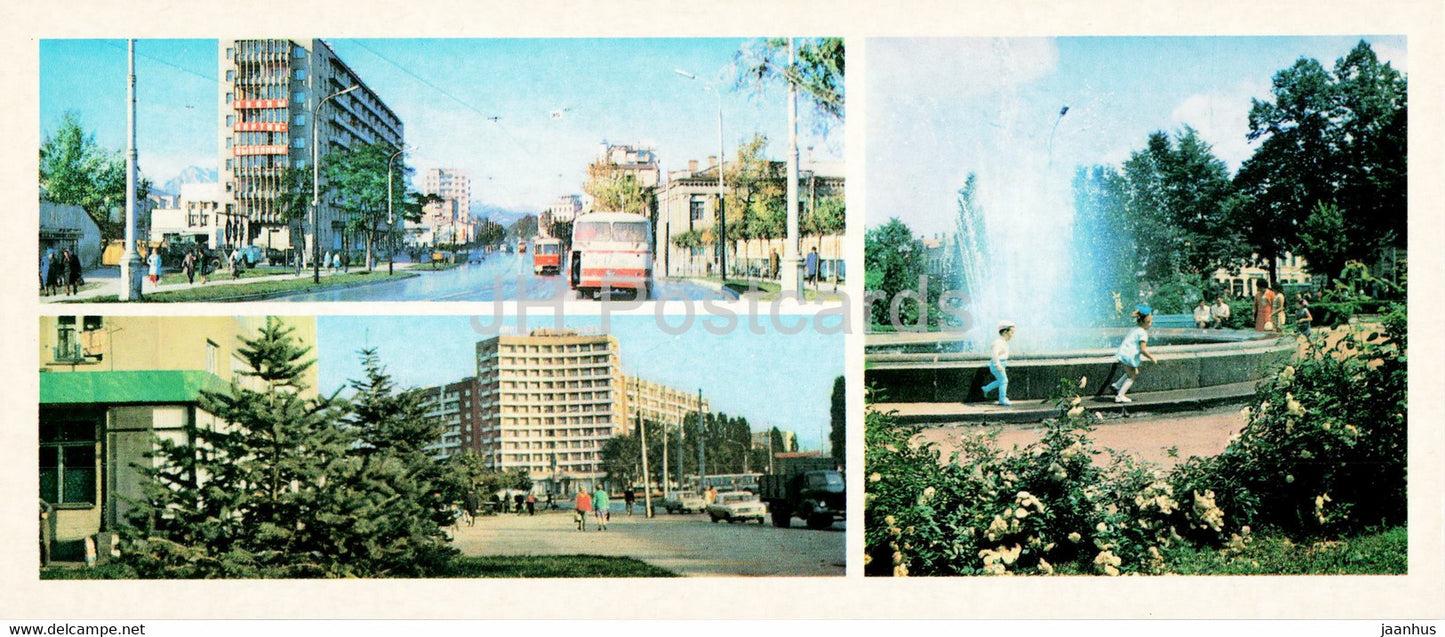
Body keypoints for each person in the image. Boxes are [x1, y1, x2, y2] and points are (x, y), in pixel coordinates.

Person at [1109, 306, 1159, 403]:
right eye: (1149, 322)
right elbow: (1143, 350)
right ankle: (1120, 396)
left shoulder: (1135, 329)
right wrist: (1152, 357)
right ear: (1144, 322)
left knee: (1134, 372)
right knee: (1132, 376)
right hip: (1128, 356)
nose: (1150, 324)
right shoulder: (1143, 334)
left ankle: (1117, 386)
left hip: (1123, 353)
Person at [980, 320, 1016, 406]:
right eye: (1011, 332)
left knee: (1001, 381)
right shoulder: (998, 342)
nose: (1012, 335)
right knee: (1004, 381)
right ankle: (1002, 399)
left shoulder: (1002, 342)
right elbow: (995, 353)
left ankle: (986, 388)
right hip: (997, 364)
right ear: (1004, 332)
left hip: (1000, 364)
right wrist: (998, 363)